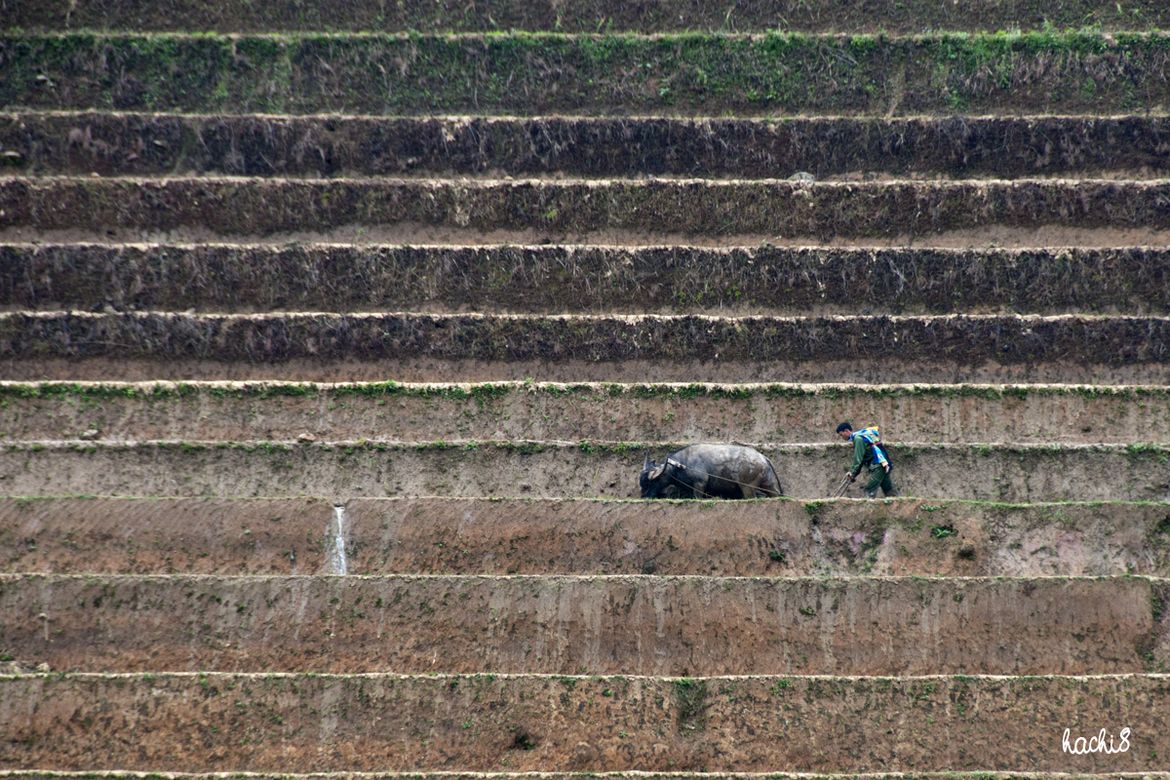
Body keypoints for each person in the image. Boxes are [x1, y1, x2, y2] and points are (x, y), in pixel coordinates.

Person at [836, 421, 897, 498]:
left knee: (869, 491)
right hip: (883, 464)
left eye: (841, 434)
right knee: (889, 491)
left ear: (846, 431)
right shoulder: (861, 436)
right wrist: (854, 474)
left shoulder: (858, 439)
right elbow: (861, 460)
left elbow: (858, 458)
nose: (842, 437)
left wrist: (852, 472)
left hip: (877, 466)